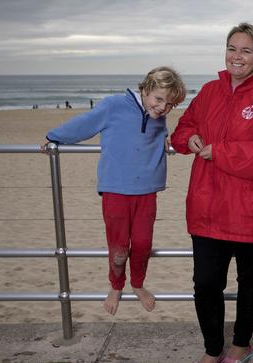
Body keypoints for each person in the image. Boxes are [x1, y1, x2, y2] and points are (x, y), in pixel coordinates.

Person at [171, 22, 253, 363]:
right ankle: (213, 350)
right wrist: (189, 138)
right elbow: (182, 129)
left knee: (250, 283)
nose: (236, 56)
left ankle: (239, 347)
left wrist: (222, 152)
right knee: (206, 284)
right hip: (208, 208)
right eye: (231, 48)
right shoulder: (210, 91)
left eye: (245, 50)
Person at [42, 66, 186, 315]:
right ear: (145, 89)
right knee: (119, 247)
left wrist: (165, 136)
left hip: (146, 190)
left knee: (142, 243)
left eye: (170, 104)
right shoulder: (113, 106)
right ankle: (116, 285)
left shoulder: (157, 115)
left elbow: (156, 130)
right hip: (115, 190)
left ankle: (138, 284)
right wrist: (54, 137)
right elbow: (84, 124)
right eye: (159, 99)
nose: (163, 107)